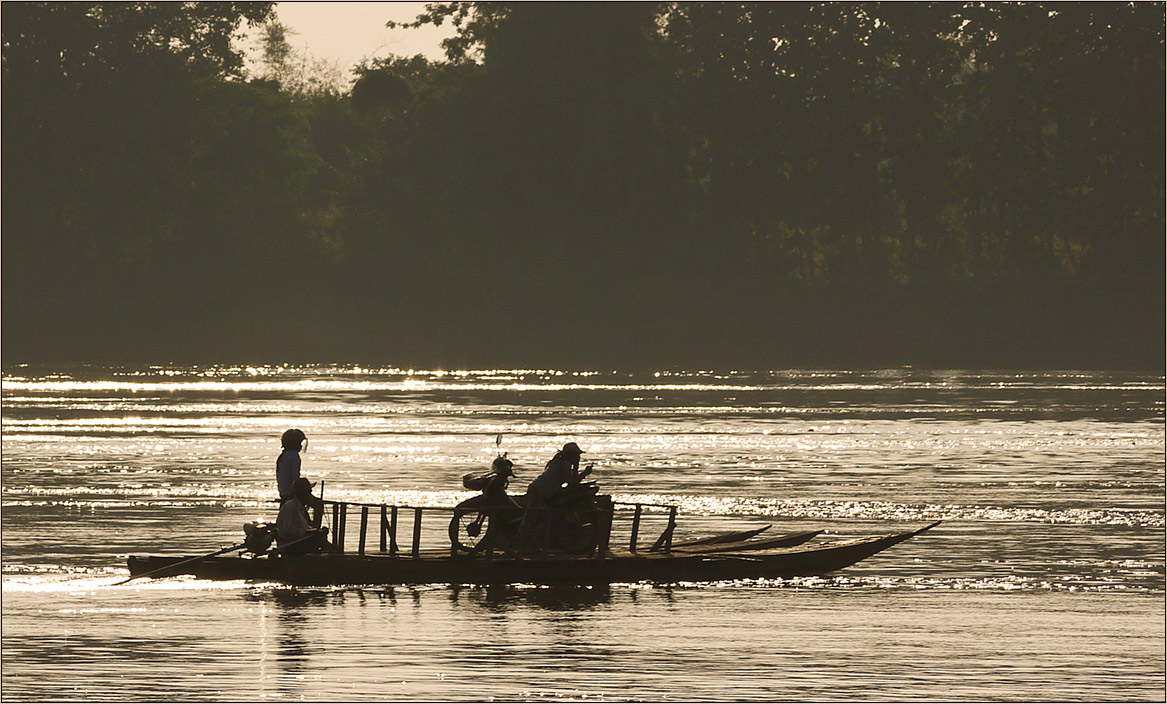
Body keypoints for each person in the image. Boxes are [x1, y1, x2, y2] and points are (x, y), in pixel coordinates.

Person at [276, 428, 322, 527]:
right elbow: (295, 479)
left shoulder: (283, 456)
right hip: (292, 494)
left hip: (284, 492)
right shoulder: (294, 456)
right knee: (319, 505)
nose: (301, 446)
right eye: (299, 443)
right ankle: (315, 528)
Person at [524, 442, 591, 507]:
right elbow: (572, 482)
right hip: (539, 491)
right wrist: (584, 473)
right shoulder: (565, 464)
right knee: (533, 513)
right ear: (571, 455)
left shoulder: (560, 462)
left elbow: (573, 479)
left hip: (539, 489)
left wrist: (576, 467)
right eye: (577, 454)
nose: (578, 457)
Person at [277, 477, 332, 555]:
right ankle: (334, 553)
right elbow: (288, 531)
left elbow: (306, 527)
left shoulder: (300, 509)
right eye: (309, 492)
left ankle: (333, 552)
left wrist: (316, 531)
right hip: (288, 545)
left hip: (296, 542)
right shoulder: (290, 507)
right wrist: (307, 533)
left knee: (319, 536)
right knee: (317, 538)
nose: (310, 495)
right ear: (302, 493)